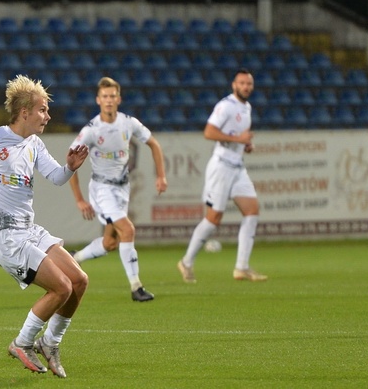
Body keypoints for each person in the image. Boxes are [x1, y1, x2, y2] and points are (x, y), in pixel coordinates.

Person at [0, 75, 89, 378]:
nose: (47, 116)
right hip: (5, 235)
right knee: (61, 287)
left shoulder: (34, 143)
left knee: (78, 281)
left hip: (30, 230)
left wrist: (70, 168)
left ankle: (49, 343)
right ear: (24, 112)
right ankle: (22, 343)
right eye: (42, 110)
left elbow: (55, 177)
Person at [68, 76, 167, 302]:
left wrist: (161, 176)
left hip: (123, 187)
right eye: (105, 97)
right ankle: (136, 287)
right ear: (98, 100)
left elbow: (154, 144)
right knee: (128, 230)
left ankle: (75, 257)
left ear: (119, 99)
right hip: (102, 189)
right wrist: (80, 200)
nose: (109, 100)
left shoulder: (128, 123)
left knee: (110, 242)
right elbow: (70, 163)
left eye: (112, 96)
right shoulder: (92, 130)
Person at [177, 69, 268, 283]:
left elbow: (237, 137)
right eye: (242, 83)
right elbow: (209, 132)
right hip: (221, 167)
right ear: (234, 85)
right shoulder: (225, 106)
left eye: (249, 84)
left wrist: (245, 144)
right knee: (214, 218)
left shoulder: (246, 107)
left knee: (252, 211)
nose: (246, 87)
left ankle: (242, 268)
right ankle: (186, 262)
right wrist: (238, 139)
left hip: (237, 167)